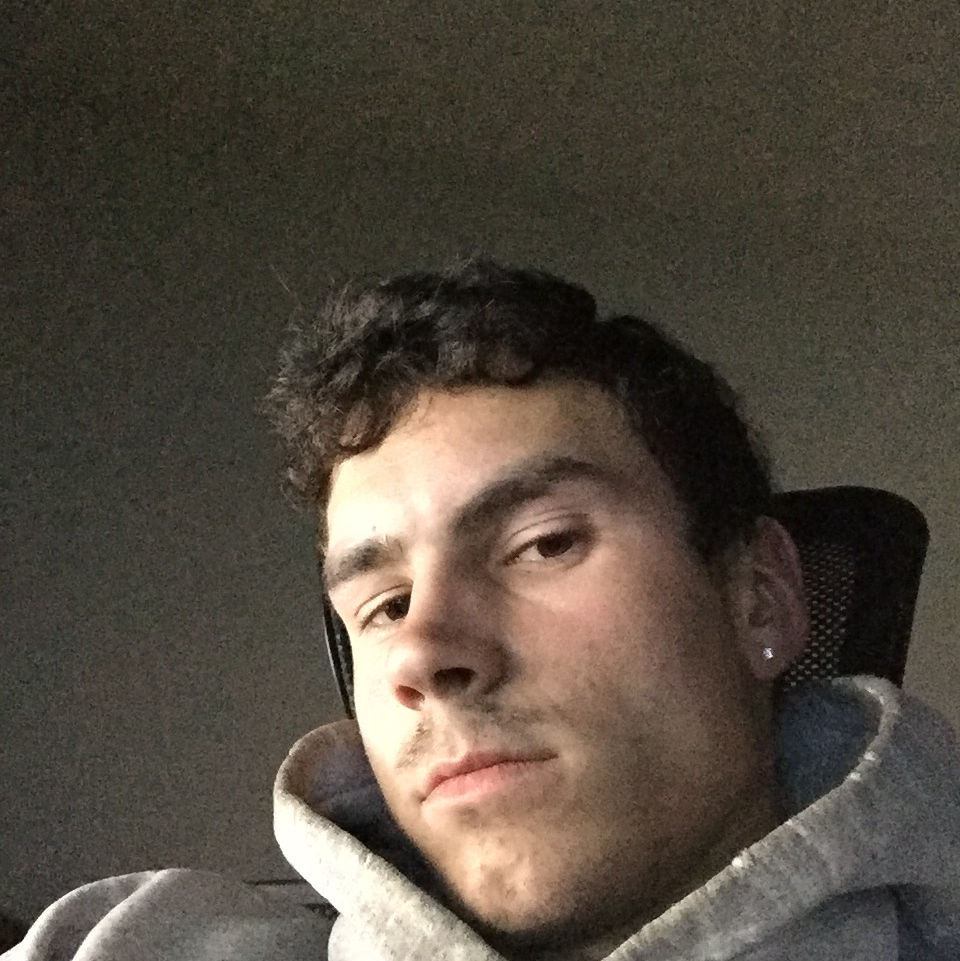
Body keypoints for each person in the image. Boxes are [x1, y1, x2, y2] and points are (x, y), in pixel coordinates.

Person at [6, 260, 960, 960]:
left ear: (760, 597)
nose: (421, 651)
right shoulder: (124, 939)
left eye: (544, 543)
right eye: (384, 603)